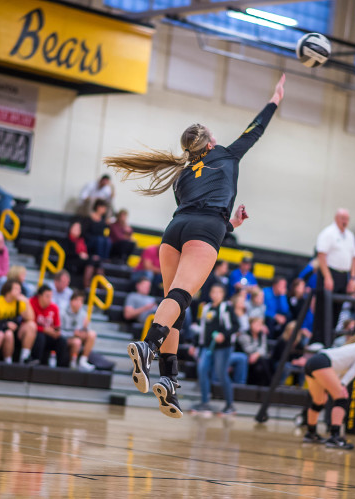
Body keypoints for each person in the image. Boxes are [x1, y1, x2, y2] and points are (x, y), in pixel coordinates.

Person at [105, 74, 286, 417]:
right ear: (209, 141)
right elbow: (255, 129)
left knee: (175, 304)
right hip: (204, 229)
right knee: (180, 299)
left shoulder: (182, 174)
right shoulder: (228, 154)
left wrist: (229, 224)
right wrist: (275, 99)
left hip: (174, 231)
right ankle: (148, 346)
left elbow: (199, 212)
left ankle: (169, 382)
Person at [303, 331, 355, 449]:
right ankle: (334, 437)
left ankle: (311, 433)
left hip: (313, 362)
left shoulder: (354, 348)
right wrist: (343, 384)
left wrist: (339, 384)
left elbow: (337, 372)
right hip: (322, 362)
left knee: (319, 401)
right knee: (341, 398)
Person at [193, 283, 240, 416]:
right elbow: (201, 329)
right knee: (202, 370)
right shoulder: (206, 308)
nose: (215, 294)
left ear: (223, 294)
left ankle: (230, 405)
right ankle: (204, 403)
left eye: (218, 292)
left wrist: (223, 335)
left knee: (221, 374)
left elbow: (236, 326)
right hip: (207, 346)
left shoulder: (227, 308)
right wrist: (195, 344)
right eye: (213, 291)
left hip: (223, 348)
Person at [313, 208, 355, 347]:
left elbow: (354, 258)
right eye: (342, 218)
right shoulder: (328, 233)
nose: (345, 221)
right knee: (323, 307)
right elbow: (321, 256)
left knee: (337, 308)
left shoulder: (350, 236)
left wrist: (352, 278)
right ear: (336, 218)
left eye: (347, 219)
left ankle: (329, 341)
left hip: (343, 275)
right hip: (329, 272)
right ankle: (318, 341)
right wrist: (327, 276)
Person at [0, 279, 37, 364]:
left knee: (31, 325)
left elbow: (31, 318)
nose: (20, 291)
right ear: (8, 290)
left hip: (15, 331)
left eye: (20, 289)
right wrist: (5, 324)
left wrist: (26, 302)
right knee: (8, 334)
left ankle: (24, 357)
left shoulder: (19, 302)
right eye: (16, 289)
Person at [30, 285, 67, 366]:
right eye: (47, 296)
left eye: (51, 296)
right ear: (39, 296)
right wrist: (43, 329)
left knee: (62, 341)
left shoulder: (54, 307)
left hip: (49, 334)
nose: (50, 299)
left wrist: (57, 332)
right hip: (34, 333)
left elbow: (57, 326)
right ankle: (35, 361)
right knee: (40, 336)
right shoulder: (31, 303)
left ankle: (62, 367)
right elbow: (29, 324)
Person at [60, 290, 97, 371]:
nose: (79, 303)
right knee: (77, 342)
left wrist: (85, 330)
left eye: (81, 301)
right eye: (77, 300)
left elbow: (86, 331)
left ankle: (83, 361)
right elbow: (59, 331)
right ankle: (72, 362)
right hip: (65, 338)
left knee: (92, 334)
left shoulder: (83, 314)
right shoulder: (62, 312)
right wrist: (73, 334)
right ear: (71, 301)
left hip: (78, 337)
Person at [237, 316, 273, 386]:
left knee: (264, 361)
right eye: (256, 324)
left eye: (260, 325)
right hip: (246, 357)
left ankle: (266, 385)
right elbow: (247, 349)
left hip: (257, 358)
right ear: (251, 324)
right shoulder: (244, 334)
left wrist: (257, 354)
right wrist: (258, 353)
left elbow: (264, 348)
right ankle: (269, 385)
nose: (258, 327)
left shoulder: (262, 334)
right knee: (262, 362)